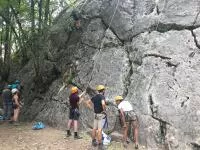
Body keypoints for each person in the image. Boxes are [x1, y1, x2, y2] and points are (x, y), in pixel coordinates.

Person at [86, 85, 107, 150]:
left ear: (98, 90)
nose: (104, 91)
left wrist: (92, 108)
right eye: (104, 90)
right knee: (100, 129)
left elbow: (87, 102)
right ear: (103, 90)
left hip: (95, 114)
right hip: (100, 115)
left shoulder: (94, 97)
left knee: (94, 128)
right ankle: (100, 145)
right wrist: (104, 110)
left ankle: (93, 141)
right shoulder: (102, 96)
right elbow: (103, 104)